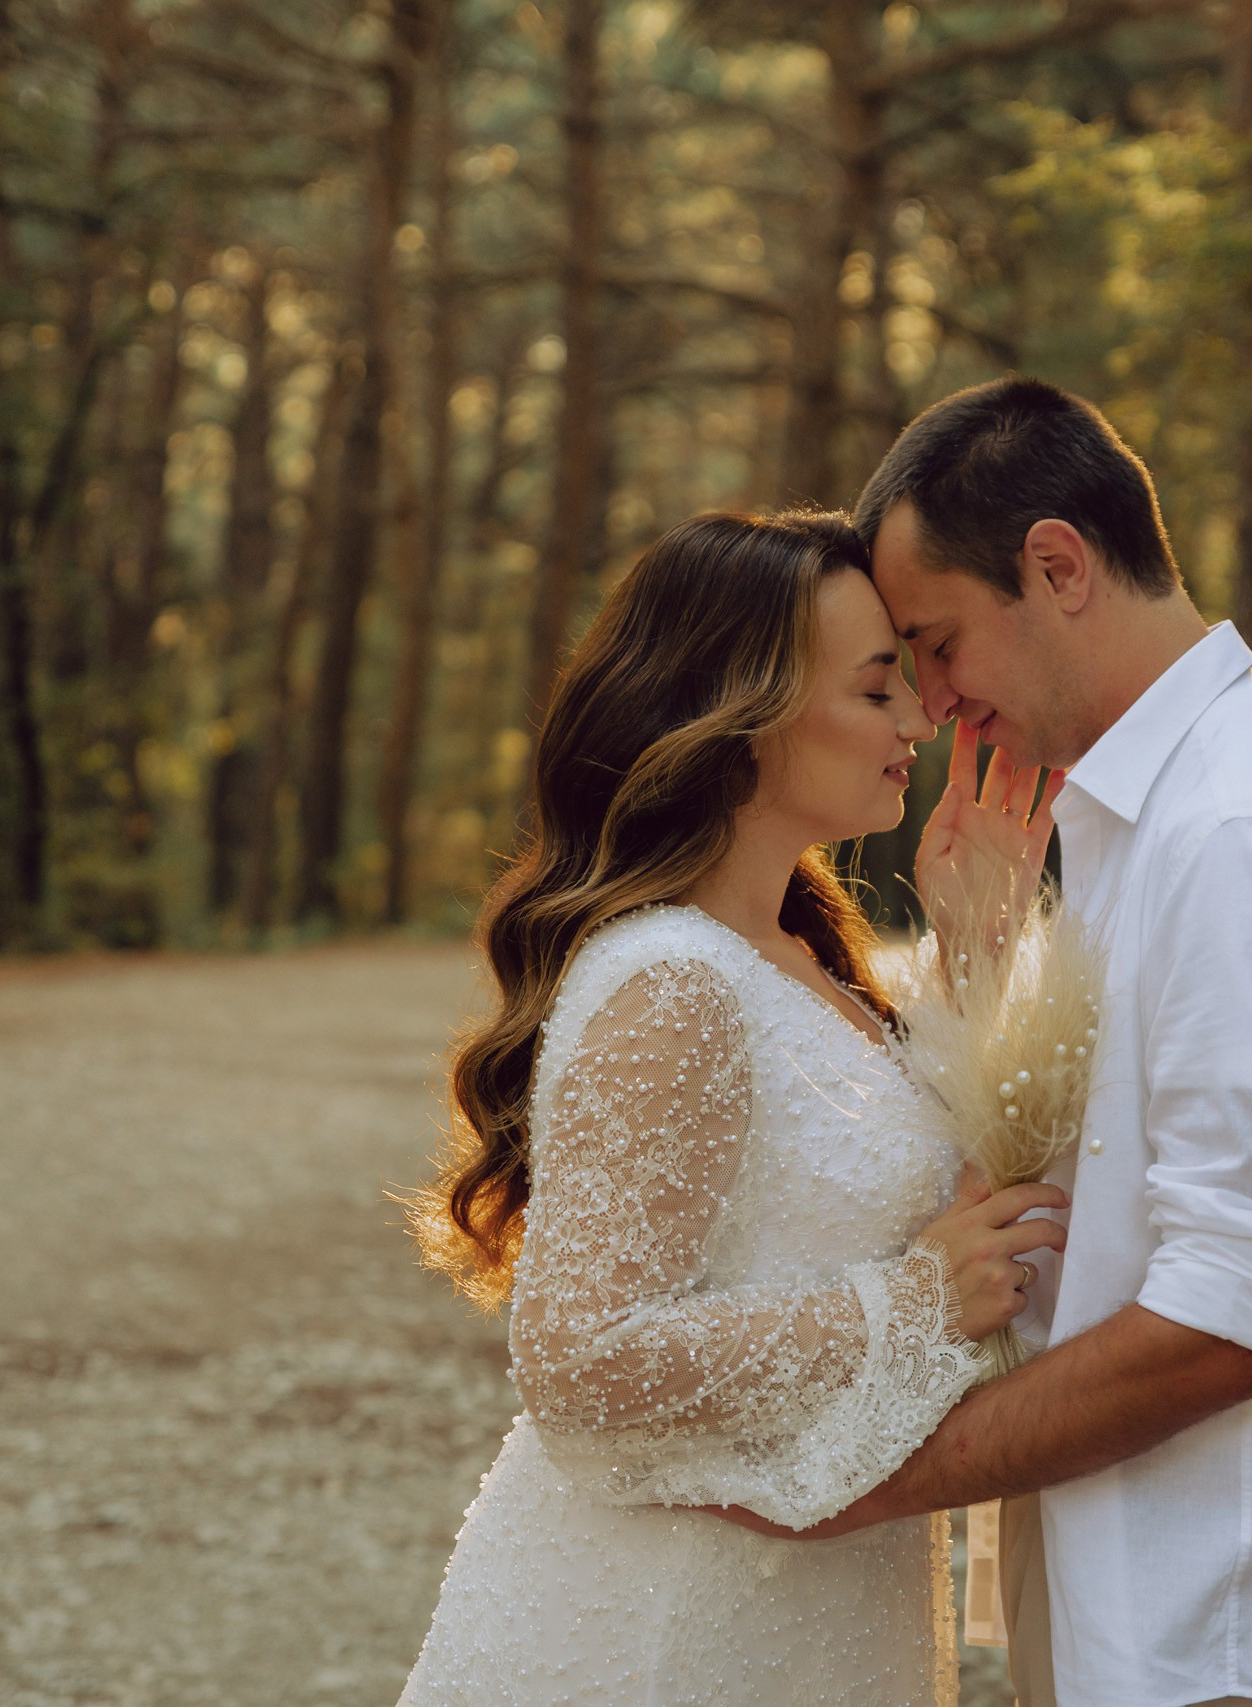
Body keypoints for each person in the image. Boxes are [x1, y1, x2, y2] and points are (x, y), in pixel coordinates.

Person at [726, 377, 1252, 1707]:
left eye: (938, 643)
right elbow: (1089, 1216)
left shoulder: (1245, 830)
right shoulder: (1134, 819)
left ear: (1057, 567)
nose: (936, 703)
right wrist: (981, 968)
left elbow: (1226, 1318)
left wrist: (866, 1482)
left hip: (1232, 1634)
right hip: (1134, 1607)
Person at [396, 510, 1067, 1707]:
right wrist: (911, 1305)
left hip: (810, 1612)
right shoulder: (671, 983)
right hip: (666, 1633)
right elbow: (577, 1362)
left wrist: (976, 954)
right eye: (875, 687)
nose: (918, 721)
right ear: (744, 720)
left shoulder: (809, 963)